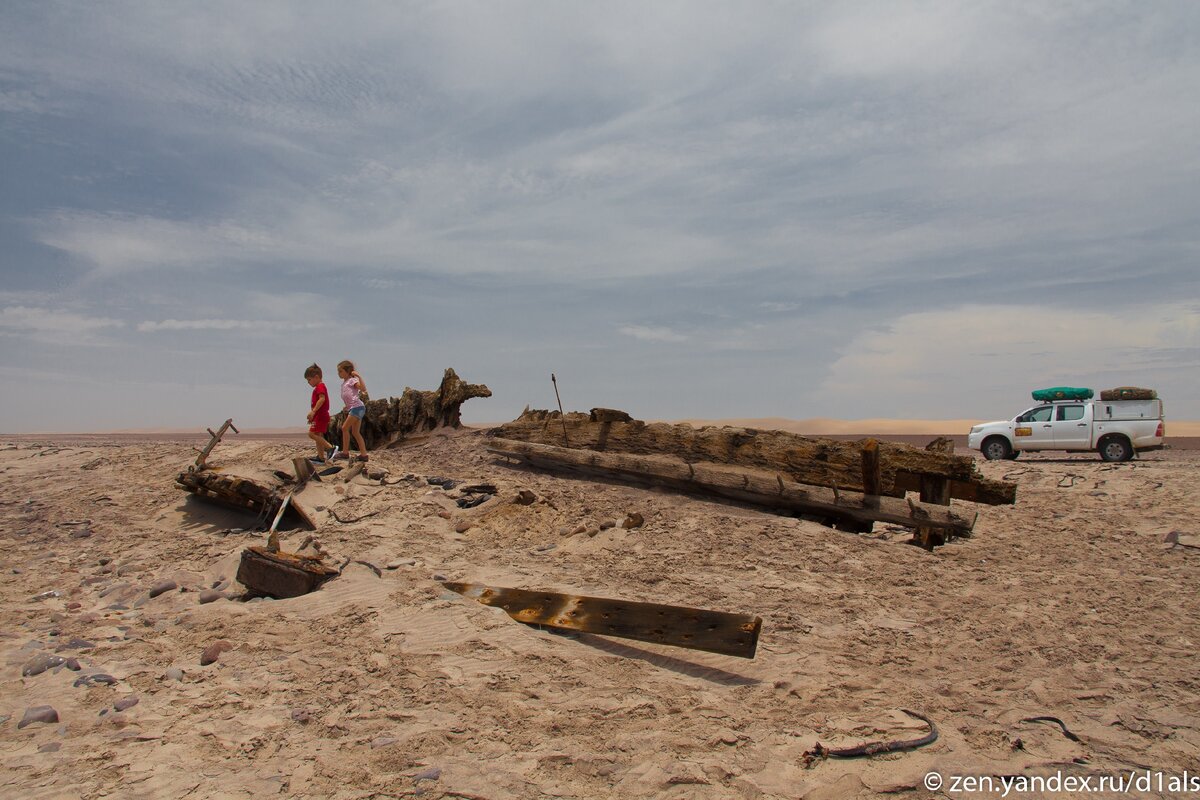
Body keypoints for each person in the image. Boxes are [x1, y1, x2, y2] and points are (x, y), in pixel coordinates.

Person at [304, 364, 336, 463]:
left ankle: (330, 448)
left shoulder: (320, 386)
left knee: (311, 434)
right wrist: (313, 416)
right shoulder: (319, 387)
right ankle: (321, 457)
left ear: (316, 377)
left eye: (309, 380)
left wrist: (313, 412)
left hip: (321, 415)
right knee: (319, 435)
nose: (308, 382)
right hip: (319, 415)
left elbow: (322, 399)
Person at [337, 359, 369, 461]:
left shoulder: (352, 380)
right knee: (355, 432)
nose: (339, 373)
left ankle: (345, 453)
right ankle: (364, 455)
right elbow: (349, 396)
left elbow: (363, 389)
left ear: (348, 371)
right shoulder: (345, 383)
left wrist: (358, 376)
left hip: (357, 408)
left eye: (341, 371)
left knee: (344, 428)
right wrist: (347, 406)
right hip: (355, 408)